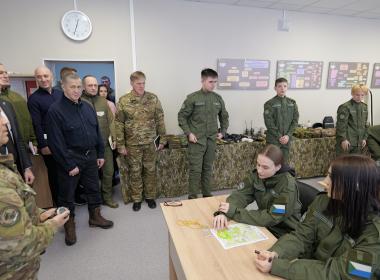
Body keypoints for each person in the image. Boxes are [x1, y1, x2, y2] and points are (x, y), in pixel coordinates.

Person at [254, 154, 380, 279]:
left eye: (332, 177)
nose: (324, 182)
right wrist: (275, 253)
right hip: (311, 270)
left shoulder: (375, 235)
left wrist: (279, 267)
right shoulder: (324, 201)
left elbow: (340, 274)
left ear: (356, 186)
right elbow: (301, 236)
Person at [0, 111, 69, 279]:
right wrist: (53, 224)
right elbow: (20, 246)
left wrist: (38, 214)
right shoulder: (2, 188)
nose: (5, 122)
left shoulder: (4, 166)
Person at [46, 73, 113, 246]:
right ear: (63, 87)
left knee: (93, 189)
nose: (76, 91)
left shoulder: (87, 107)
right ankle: (69, 226)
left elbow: (97, 132)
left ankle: (95, 217)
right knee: (66, 197)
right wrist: (69, 164)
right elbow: (56, 142)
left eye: (78, 87)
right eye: (72, 87)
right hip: (70, 159)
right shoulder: (55, 111)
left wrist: (99, 154)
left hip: (90, 156)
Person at [213, 144, 301, 238]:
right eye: (258, 164)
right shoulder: (258, 176)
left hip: (282, 232)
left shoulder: (287, 187)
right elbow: (240, 195)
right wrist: (224, 213)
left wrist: (234, 212)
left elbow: (272, 217)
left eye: (265, 167)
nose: (259, 170)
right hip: (263, 225)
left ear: (278, 167)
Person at [115, 71, 166, 211]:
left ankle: (150, 197)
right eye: (138, 83)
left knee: (150, 171)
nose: (141, 86)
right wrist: (121, 144)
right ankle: (137, 198)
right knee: (135, 172)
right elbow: (118, 123)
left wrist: (163, 139)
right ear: (132, 83)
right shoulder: (124, 100)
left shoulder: (153, 98)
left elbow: (160, 119)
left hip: (150, 143)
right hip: (132, 144)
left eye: (143, 83)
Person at [178, 68, 229, 199]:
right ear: (202, 80)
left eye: (215, 82)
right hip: (196, 140)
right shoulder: (192, 98)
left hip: (211, 140)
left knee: (207, 169)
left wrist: (222, 132)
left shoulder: (218, 98)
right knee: (195, 170)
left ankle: (206, 195)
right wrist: (188, 133)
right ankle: (193, 197)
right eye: (210, 81)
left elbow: (224, 117)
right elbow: (182, 116)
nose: (213, 85)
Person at [28, 65, 63, 205]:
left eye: (46, 76)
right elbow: (36, 125)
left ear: (51, 77)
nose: (43, 79)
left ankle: (72, 199)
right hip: (50, 144)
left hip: (65, 141)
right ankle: (59, 204)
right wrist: (43, 145)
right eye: (39, 77)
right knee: (55, 175)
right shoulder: (34, 99)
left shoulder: (60, 94)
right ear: (36, 79)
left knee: (68, 172)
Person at [82, 75, 118, 208]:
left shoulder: (103, 102)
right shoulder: (79, 101)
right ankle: (95, 200)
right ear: (84, 86)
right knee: (91, 176)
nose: (93, 88)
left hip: (104, 144)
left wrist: (114, 137)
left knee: (108, 172)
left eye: (95, 85)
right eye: (90, 85)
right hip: (88, 147)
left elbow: (111, 121)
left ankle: (107, 197)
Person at [0, 63, 37, 151]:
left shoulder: (18, 97)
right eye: (1, 73)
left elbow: (28, 121)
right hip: (5, 148)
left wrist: (33, 141)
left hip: (23, 147)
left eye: (6, 72)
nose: (5, 76)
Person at [264, 77, 299, 162]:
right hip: (274, 139)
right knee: (272, 163)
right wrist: (279, 136)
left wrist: (288, 135)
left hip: (287, 139)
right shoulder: (269, 104)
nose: (282, 88)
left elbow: (295, 120)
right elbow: (269, 123)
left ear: (287, 87)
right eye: (279, 86)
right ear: (275, 88)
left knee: (284, 163)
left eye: (285, 86)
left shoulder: (292, 103)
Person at [0, 100, 34, 184]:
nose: (5, 121)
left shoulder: (7, 105)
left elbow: (18, 137)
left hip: (16, 166)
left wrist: (26, 167)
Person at [336, 84, 369, 155]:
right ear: (352, 94)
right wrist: (343, 139)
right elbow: (341, 125)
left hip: (359, 143)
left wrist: (364, 138)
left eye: (362, 95)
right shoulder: (345, 107)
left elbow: (366, 124)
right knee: (344, 163)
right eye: (357, 95)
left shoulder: (364, 107)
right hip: (348, 142)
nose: (360, 97)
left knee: (356, 164)